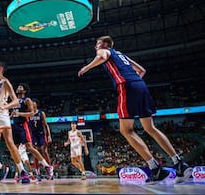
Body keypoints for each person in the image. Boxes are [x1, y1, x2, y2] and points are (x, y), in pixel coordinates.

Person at [77, 35, 192, 184]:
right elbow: (142, 70)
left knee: (126, 130)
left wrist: (86, 68)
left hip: (126, 86)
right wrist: (134, 80)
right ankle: (179, 163)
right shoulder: (122, 55)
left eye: (97, 44)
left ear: (105, 44)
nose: (95, 47)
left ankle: (155, 169)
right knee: (150, 128)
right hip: (140, 85)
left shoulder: (105, 51)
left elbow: (101, 56)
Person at [11, 83, 53, 181]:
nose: (18, 88)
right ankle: (21, 173)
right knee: (15, 151)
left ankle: (47, 166)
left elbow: (31, 113)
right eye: (18, 87)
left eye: (20, 87)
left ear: (24, 91)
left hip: (23, 126)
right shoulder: (14, 100)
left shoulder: (27, 100)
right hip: (15, 126)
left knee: (30, 148)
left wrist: (19, 113)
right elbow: (13, 113)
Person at [29, 98, 52, 179]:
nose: (31, 103)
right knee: (35, 153)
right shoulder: (29, 114)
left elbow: (46, 125)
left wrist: (49, 135)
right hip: (33, 135)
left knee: (44, 151)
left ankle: (49, 170)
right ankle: (37, 172)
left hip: (41, 134)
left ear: (36, 104)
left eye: (33, 102)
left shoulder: (41, 113)